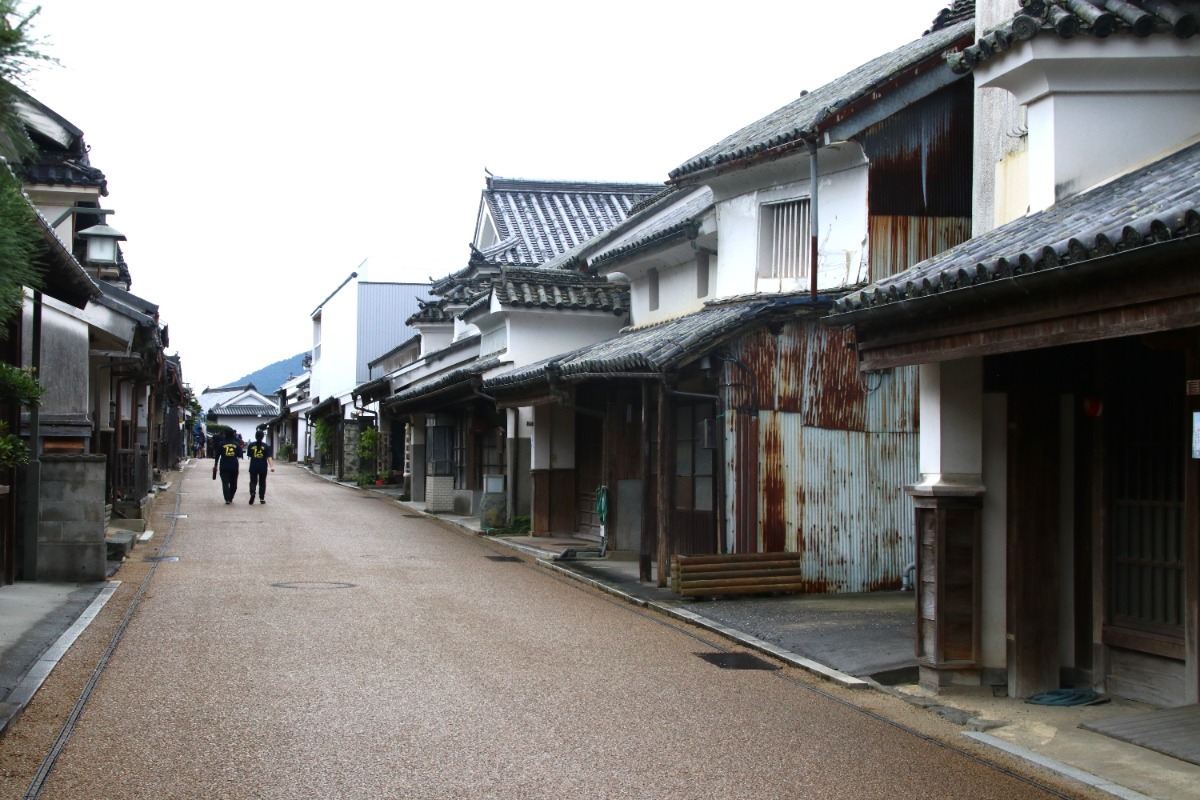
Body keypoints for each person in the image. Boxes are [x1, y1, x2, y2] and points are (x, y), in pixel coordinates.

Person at [212, 429, 243, 504]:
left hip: (224, 466)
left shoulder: (221, 444)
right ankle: (230, 497)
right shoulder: (236, 444)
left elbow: (217, 456)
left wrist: (215, 465)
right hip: (234, 466)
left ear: (225, 435)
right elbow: (240, 455)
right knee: (234, 484)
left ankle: (227, 498)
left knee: (225, 483)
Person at [246, 430, 275, 504]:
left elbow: (249, 455)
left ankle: (252, 493)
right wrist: (272, 466)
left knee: (253, 481)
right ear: (263, 437)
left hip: (253, 466)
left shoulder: (251, 445)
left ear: (255, 436)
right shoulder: (266, 446)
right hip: (263, 466)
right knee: (262, 482)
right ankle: (261, 498)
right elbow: (269, 457)